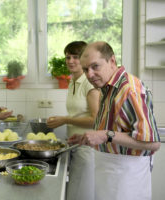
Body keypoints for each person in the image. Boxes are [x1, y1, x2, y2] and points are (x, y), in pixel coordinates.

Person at [69, 41, 161, 200]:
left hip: (127, 180)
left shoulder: (130, 90)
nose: (89, 74)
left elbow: (153, 143)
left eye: (95, 66)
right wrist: (90, 139)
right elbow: (116, 129)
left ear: (112, 61)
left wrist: (106, 135)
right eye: (85, 69)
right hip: (109, 174)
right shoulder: (106, 87)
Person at [47, 41, 100, 200]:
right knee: (73, 193)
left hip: (87, 147)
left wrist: (64, 120)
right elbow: (77, 113)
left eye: (75, 57)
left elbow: (96, 119)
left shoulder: (88, 83)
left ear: (84, 59)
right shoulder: (72, 80)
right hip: (74, 144)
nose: (70, 61)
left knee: (81, 195)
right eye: (68, 57)